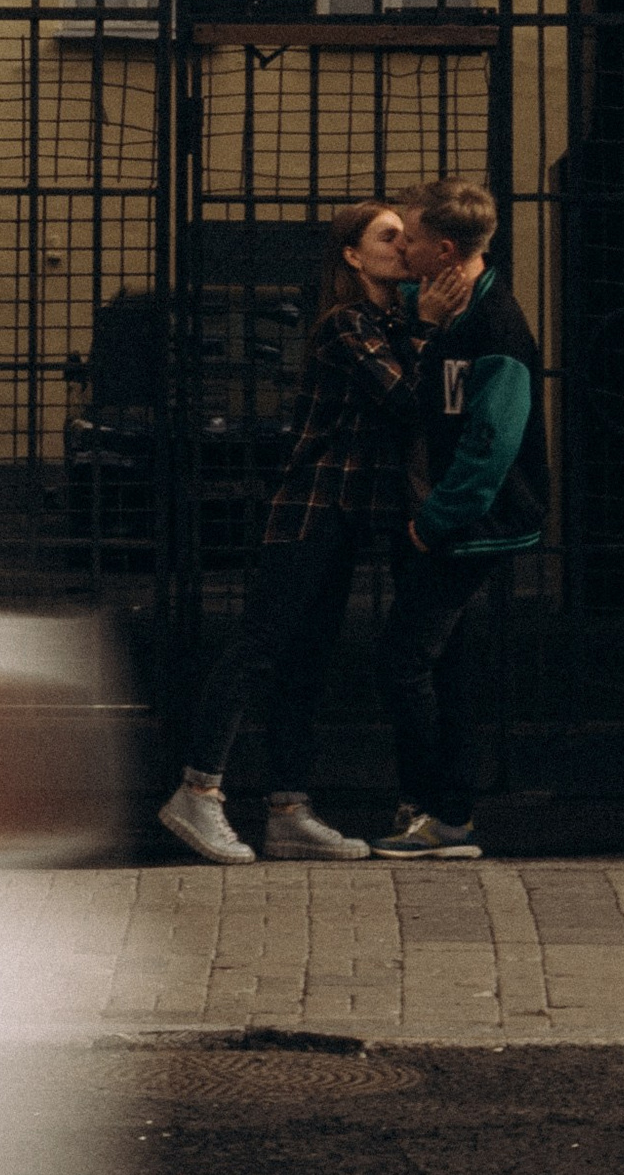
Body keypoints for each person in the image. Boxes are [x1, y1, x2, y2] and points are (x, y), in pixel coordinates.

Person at [158, 201, 474, 866]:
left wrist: (423, 327)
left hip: (347, 518)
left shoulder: (389, 323)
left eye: (406, 236)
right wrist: (426, 328)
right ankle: (197, 791)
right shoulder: (345, 324)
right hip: (310, 511)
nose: (404, 245)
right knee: (259, 647)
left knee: (306, 662)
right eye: (388, 236)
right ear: (352, 256)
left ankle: (289, 811)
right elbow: (406, 401)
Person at [371, 176, 548, 861]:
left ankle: (433, 812)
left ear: (444, 250)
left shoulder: (496, 326)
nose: (401, 249)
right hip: (446, 521)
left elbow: (491, 444)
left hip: (469, 525)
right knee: (446, 667)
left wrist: (435, 521)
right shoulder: (444, 311)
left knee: (403, 659)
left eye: (410, 238)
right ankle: (447, 814)